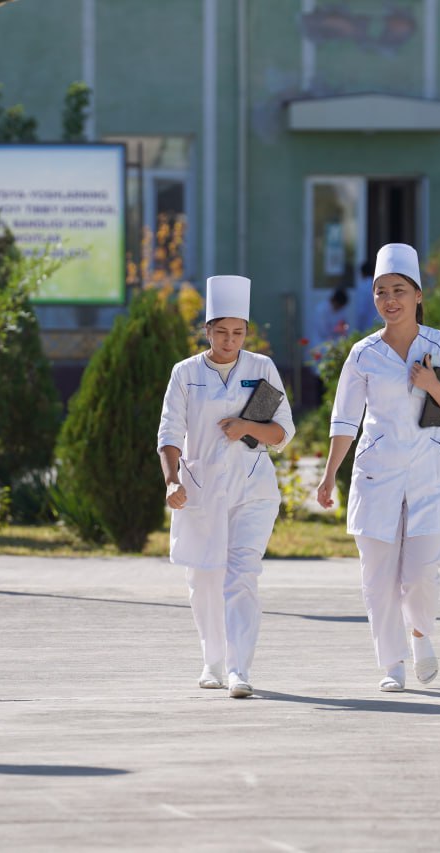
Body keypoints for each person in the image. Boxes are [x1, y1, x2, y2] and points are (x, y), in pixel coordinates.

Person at [314, 243, 440, 692]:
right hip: (375, 473)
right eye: (381, 291)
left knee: (423, 571)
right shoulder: (363, 354)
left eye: (399, 290)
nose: (390, 300)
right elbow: (345, 419)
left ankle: (421, 634)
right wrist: (329, 475)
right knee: (378, 577)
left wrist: (429, 385)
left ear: (418, 295)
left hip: (428, 472)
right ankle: (392, 665)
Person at [157, 275, 296, 699]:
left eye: (237, 333)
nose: (229, 340)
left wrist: (245, 426)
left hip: (253, 490)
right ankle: (212, 660)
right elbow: (169, 432)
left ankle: (240, 669)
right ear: (207, 331)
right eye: (221, 332)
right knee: (203, 579)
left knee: (242, 576)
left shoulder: (262, 368)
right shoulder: (185, 373)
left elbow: (282, 433)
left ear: (246, 333)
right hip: (200, 490)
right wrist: (171, 480)